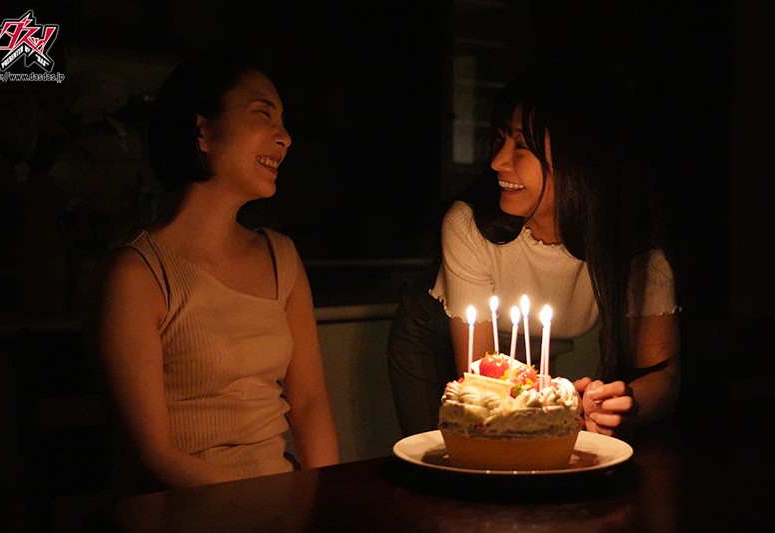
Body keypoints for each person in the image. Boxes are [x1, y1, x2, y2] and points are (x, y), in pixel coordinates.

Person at [84, 52, 339, 494]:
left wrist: (325, 498)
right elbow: (154, 456)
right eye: (263, 114)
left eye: (283, 122)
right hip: (187, 508)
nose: (285, 138)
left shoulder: (281, 257)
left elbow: (310, 402)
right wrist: (267, 506)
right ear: (202, 130)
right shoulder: (136, 274)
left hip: (280, 503)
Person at [389, 62, 680, 442]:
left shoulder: (638, 256)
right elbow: (481, 383)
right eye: (499, 140)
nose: (496, 162)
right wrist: (555, 401)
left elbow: (664, 377)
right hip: (433, 343)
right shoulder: (469, 227)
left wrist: (619, 405)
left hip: (528, 360)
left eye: (521, 146)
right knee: (457, 457)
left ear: (583, 158)